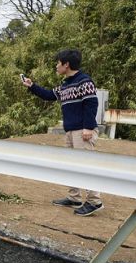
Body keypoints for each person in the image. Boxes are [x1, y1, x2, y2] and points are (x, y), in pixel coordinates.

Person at [22, 49, 103, 216]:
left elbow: (91, 104)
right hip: (70, 130)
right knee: (71, 165)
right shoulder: (65, 84)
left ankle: (94, 201)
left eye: (58, 63)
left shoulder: (84, 81)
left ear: (66, 64)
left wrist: (88, 127)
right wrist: (32, 86)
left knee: (86, 165)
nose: (56, 65)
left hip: (82, 130)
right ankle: (74, 197)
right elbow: (49, 95)